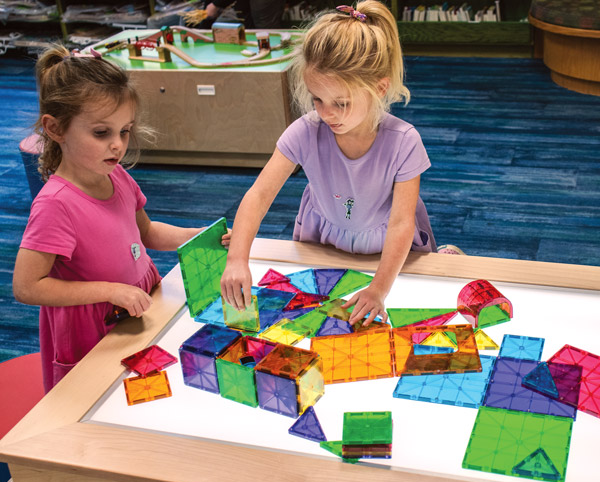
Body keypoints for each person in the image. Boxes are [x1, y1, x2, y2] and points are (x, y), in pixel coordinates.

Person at [12, 46, 230, 392]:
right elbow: (26, 286)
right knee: (97, 398)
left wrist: (198, 234)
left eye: (124, 131)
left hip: (136, 300)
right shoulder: (55, 205)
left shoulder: (117, 176)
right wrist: (110, 291)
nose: (118, 145)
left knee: (142, 389)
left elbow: (147, 233)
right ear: (55, 129)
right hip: (93, 324)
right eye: (102, 133)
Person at [220, 1, 437, 327]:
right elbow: (258, 195)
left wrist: (378, 289)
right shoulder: (305, 131)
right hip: (324, 240)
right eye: (317, 99)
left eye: (341, 103)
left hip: (386, 248)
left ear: (379, 88)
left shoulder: (404, 141)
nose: (325, 113)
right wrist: (237, 259)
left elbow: (401, 224)